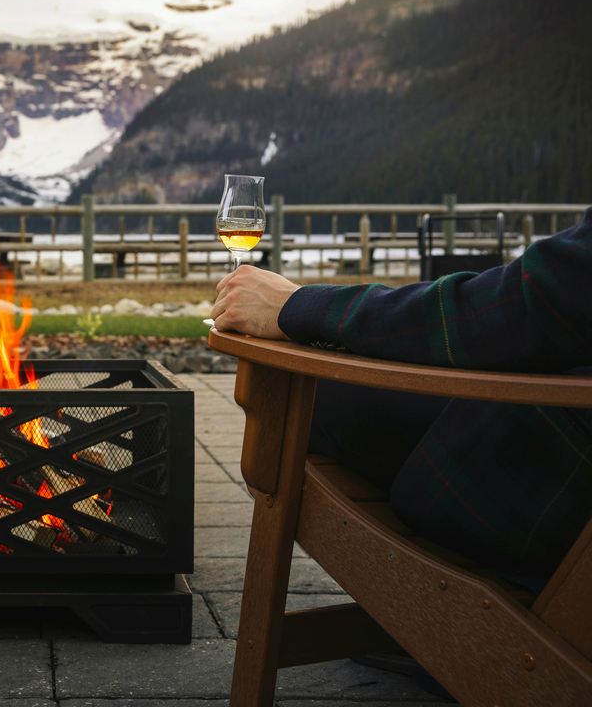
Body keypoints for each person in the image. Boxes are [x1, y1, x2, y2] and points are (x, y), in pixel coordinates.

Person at [210, 207, 592, 595]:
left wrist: (298, 305)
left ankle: (414, 604)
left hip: (546, 481)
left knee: (296, 392)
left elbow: (510, 307)